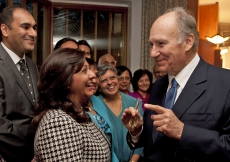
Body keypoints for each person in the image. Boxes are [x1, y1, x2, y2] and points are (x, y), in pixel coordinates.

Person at [121, 6, 230, 162]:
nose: (153, 53)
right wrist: (138, 131)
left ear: (188, 41)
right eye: (151, 45)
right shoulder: (159, 85)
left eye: (161, 44)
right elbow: (156, 144)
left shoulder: (225, 84)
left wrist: (183, 132)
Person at [32, 48, 111, 161]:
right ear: (65, 80)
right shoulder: (57, 122)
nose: (93, 74)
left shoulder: (77, 111)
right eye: (84, 70)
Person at [0, 6, 38, 162]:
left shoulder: (32, 65)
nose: (33, 33)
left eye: (34, 28)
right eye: (25, 27)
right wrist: (30, 154)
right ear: (5, 29)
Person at [97, 64, 143, 162]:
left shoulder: (134, 103)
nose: (110, 82)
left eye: (112, 77)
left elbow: (141, 136)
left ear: (117, 79)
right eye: (103, 80)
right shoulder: (95, 105)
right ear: (99, 85)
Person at [84, 57, 118, 161]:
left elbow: (110, 142)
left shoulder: (97, 101)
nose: (93, 77)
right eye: (86, 72)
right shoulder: (71, 109)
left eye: (95, 74)